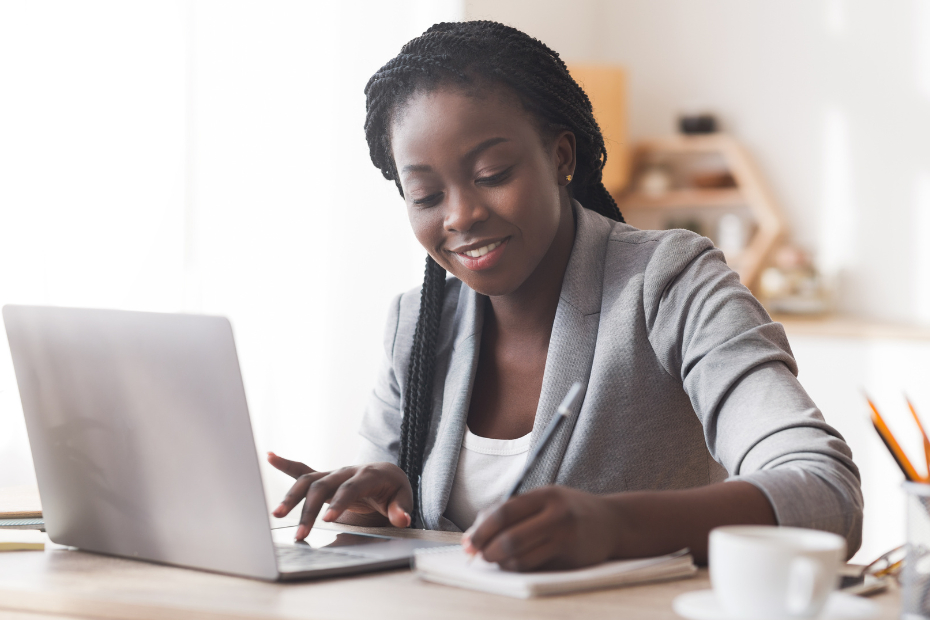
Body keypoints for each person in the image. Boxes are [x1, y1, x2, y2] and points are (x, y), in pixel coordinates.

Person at [268, 20, 862, 571]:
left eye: (492, 174)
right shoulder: (418, 323)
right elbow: (384, 534)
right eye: (424, 196)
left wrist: (617, 527)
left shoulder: (670, 282)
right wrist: (367, 508)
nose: (461, 216)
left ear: (561, 157)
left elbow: (826, 491)